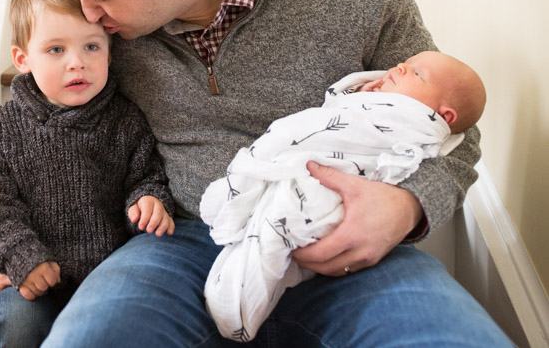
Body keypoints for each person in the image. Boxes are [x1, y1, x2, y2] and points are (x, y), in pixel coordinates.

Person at [0, 0, 512, 347]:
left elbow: (452, 131)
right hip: (180, 241)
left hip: (339, 244)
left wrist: (408, 207)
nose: (87, 15)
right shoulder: (102, 36)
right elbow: (23, 131)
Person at [0, 0, 175, 348]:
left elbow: (146, 177)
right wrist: (21, 257)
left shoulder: (125, 121)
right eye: (56, 50)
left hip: (106, 275)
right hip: (26, 274)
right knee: (19, 324)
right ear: (23, 59)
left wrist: (148, 202)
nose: (77, 63)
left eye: (91, 47)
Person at [201, 51, 486, 341]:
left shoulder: (420, 121)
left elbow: (461, 139)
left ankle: (240, 296)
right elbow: (336, 106)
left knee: (445, 333)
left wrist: (407, 204)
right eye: (406, 64)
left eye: (415, 73)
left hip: (353, 215)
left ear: (442, 116)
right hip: (180, 232)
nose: (400, 66)